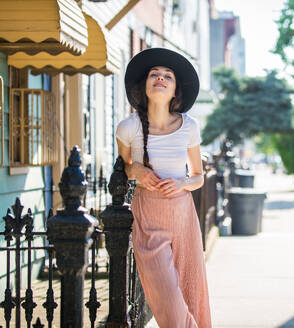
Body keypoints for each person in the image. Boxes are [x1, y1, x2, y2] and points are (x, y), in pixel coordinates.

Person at [115, 48, 212, 328]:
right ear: (144, 86)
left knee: (193, 291)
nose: (160, 78)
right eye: (154, 74)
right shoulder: (128, 127)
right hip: (148, 216)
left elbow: (198, 176)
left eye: (167, 76)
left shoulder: (189, 127)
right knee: (167, 299)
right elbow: (122, 168)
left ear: (175, 89)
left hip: (182, 215)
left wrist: (183, 182)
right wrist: (138, 169)